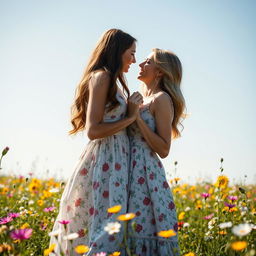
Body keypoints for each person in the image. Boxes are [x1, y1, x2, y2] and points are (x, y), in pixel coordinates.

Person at [49, 29, 143, 256]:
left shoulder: (114, 82)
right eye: (131, 53)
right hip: (105, 160)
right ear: (118, 51)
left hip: (116, 159)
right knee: (106, 225)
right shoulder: (102, 77)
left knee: (110, 224)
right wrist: (130, 117)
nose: (134, 60)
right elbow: (92, 130)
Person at [127, 48, 185, 256]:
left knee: (143, 233)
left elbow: (164, 148)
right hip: (128, 170)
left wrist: (137, 119)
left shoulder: (162, 99)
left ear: (160, 72)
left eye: (148, 62)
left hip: (146, 175)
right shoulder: (140, 98)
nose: (141, 65)